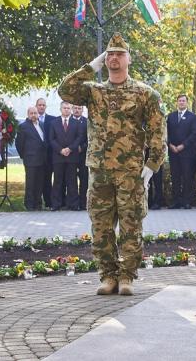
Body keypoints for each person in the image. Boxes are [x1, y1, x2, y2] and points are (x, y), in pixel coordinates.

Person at [58, 33, 165, 296]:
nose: (114, 57)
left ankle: (127, 276)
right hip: (99, 170)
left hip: (130, 171)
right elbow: (65, 89)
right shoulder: (94, 91)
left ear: (128, 58)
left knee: (131, 224)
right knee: (101, 225)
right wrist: (91, 67)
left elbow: (157, 130)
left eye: (119, 53)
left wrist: (151, 165)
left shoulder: (144, 93)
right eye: (110, 54)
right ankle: (108, 276)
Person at [49, 101, 86, 211]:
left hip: (72, 156)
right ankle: (56, 204)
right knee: (57, 181)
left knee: (72, 181)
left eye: (68, 108)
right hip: (58, 156)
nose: (66, 110)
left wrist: (70, 148)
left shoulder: (76, 123)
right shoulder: (53, 122)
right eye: (64, 108)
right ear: (60, 109)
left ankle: (73, 205)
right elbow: (51, 139)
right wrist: (60, 150)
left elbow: (79, 138)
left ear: (71, 109)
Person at [166, 94, 196, 209]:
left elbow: (195, 134)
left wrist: (183, 145)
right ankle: (176, 201)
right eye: (179, 101)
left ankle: (186, 201)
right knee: (175, 177)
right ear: (177, 102)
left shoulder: (193, 117)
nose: (181, 103)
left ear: (187, 103)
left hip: (187, 152)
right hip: (173, 151)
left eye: (183, 101)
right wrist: (170, 144)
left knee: (187, 177)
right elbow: (166, 132)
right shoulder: (170, 116)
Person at [16, 106, 47, 210]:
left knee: (39, 182)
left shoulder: (42, 125)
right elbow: (19, 143)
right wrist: (24, 155)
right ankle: (29, 204)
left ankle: (38, 203)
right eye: (31, 113)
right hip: (30, 159)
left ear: (38, 114)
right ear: (28, 115)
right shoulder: (23, 126)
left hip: (42, 159)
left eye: (35, 113)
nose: (34, 115)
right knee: (30, 183)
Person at [35, 97, 55, 209]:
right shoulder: (32, 119)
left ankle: (49, 202)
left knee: (48, 180)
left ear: (45, 107)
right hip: (36, 156)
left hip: (50, 156)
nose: (41, 107)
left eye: (43, 105)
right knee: (36, 180)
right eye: (39, 105)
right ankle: (36, 203)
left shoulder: (52, 119)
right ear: (36, 106)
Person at [72, 105, 89, 210]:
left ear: (82, 110)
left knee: (84, 180)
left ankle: (83, 203)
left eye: (79, 108)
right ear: (72, 109)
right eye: (75, 108)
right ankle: (73, 203)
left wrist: (82, 148)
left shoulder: (87, 122)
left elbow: (90, 138)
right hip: (70, 155)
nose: (77, 110)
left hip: (83, 156)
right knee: (71, 181)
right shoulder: (68, 121)